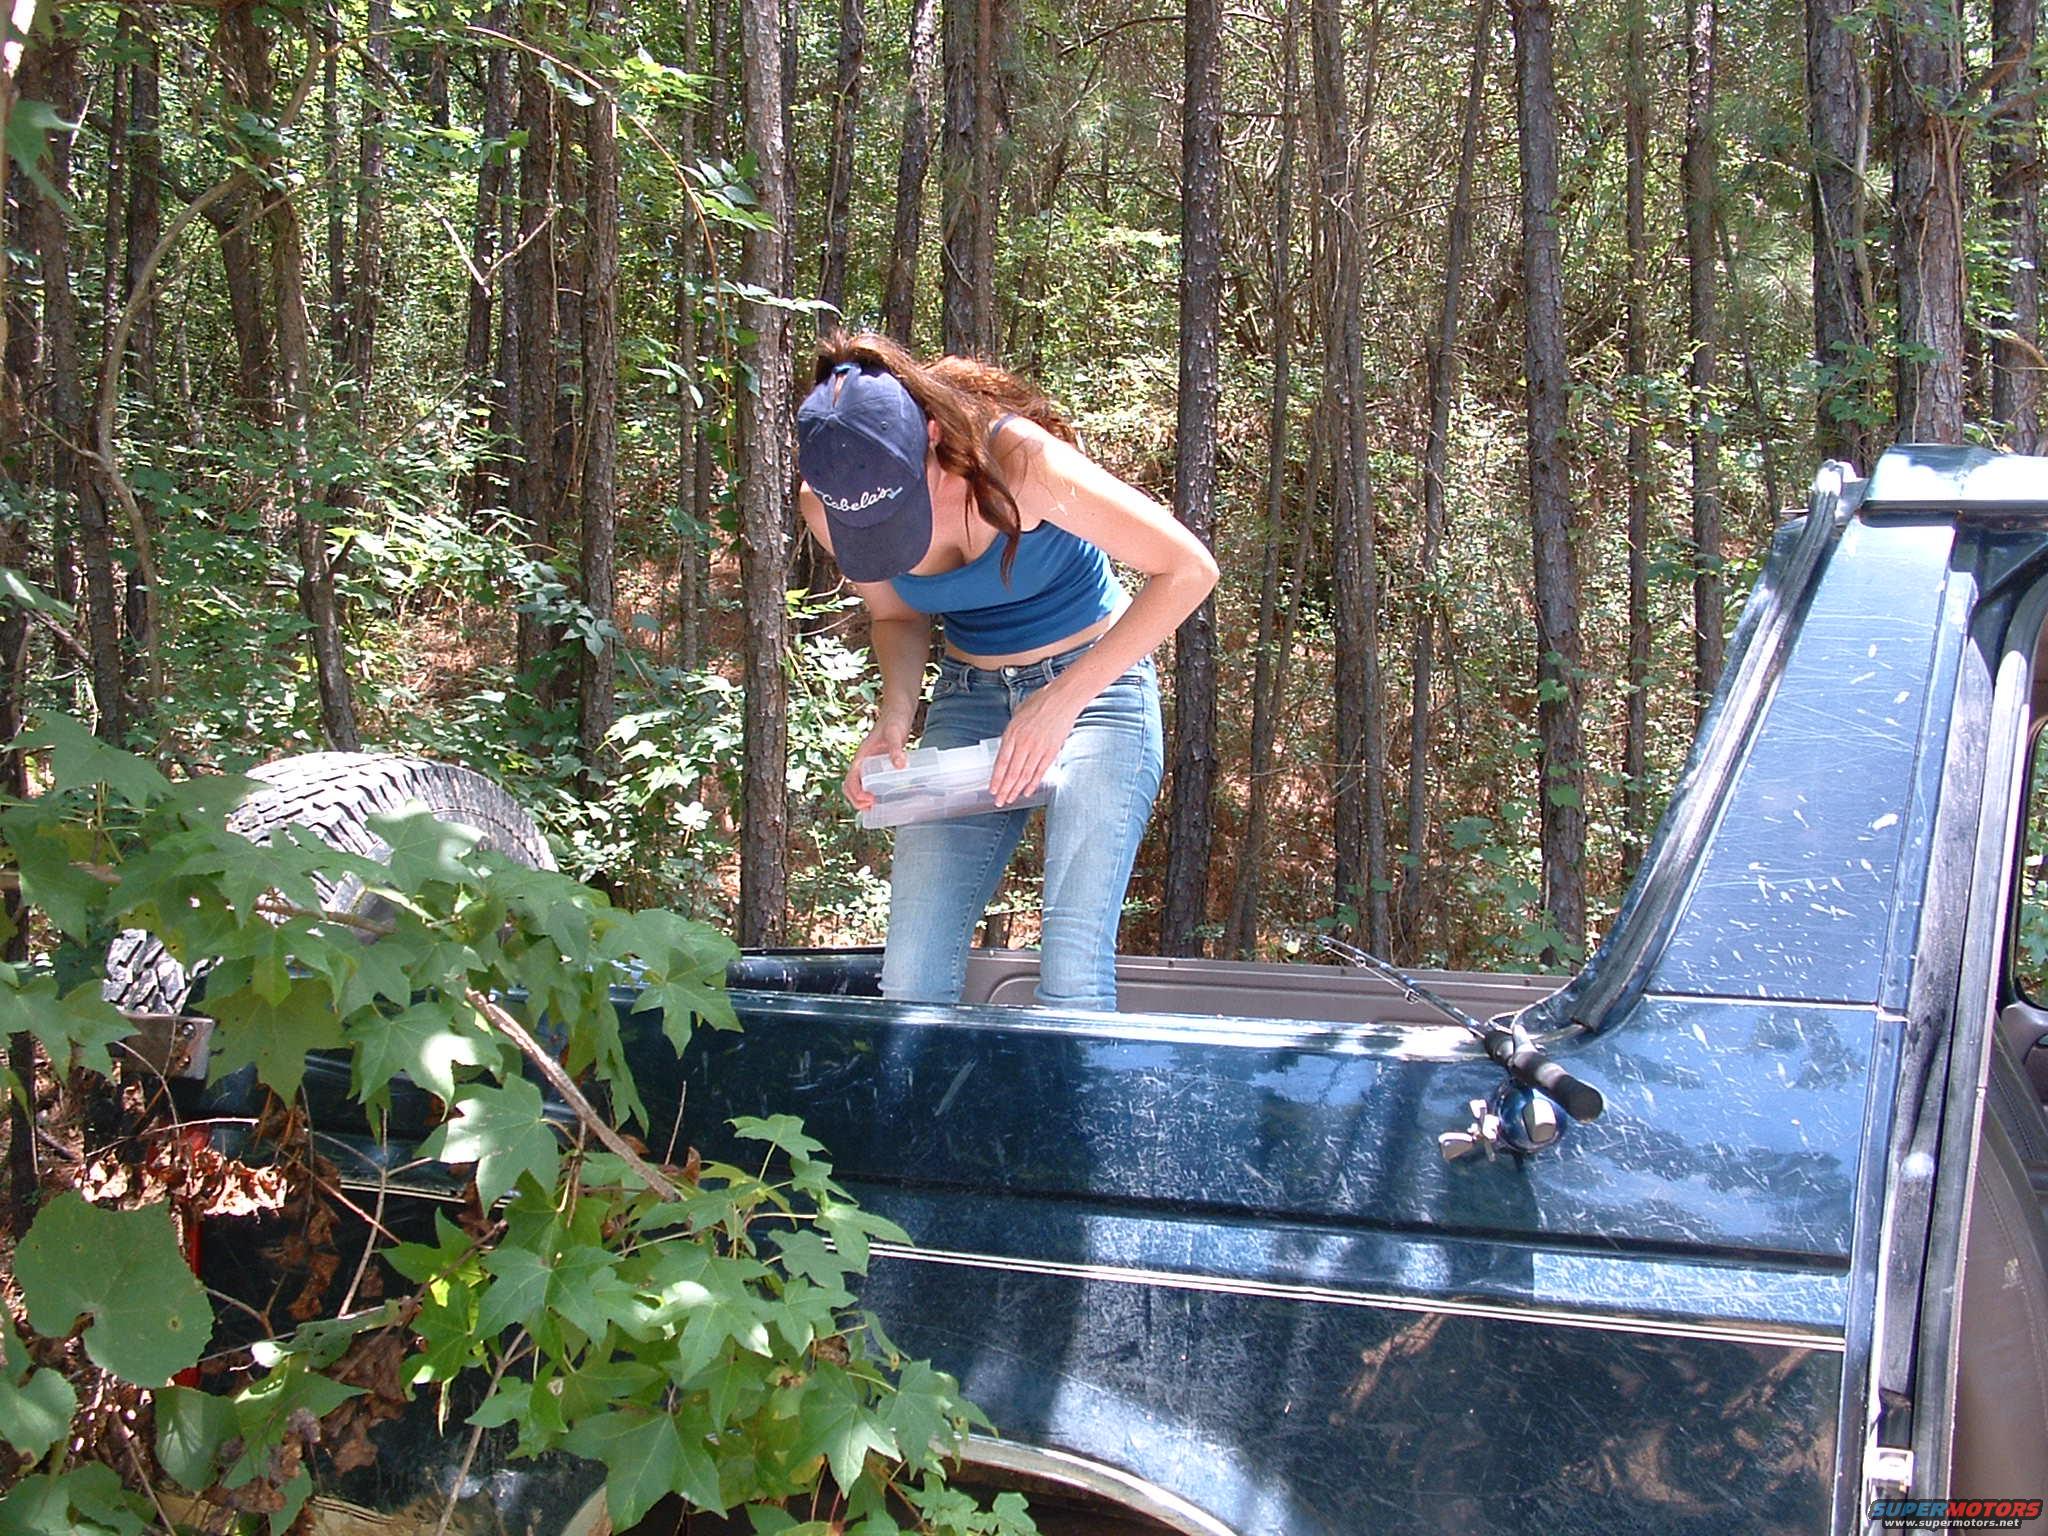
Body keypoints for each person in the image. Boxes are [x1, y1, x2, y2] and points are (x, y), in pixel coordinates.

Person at [795, 331, 1218, 1011]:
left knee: (1072, 973)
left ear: (933, 434)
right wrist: (894, 718)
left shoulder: (1020, 461)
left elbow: (1189, 570)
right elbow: (897, 615)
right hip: (970, 695)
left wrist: (1060, 701)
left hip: (1095, 687)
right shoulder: (828, 501)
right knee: (910, 982)